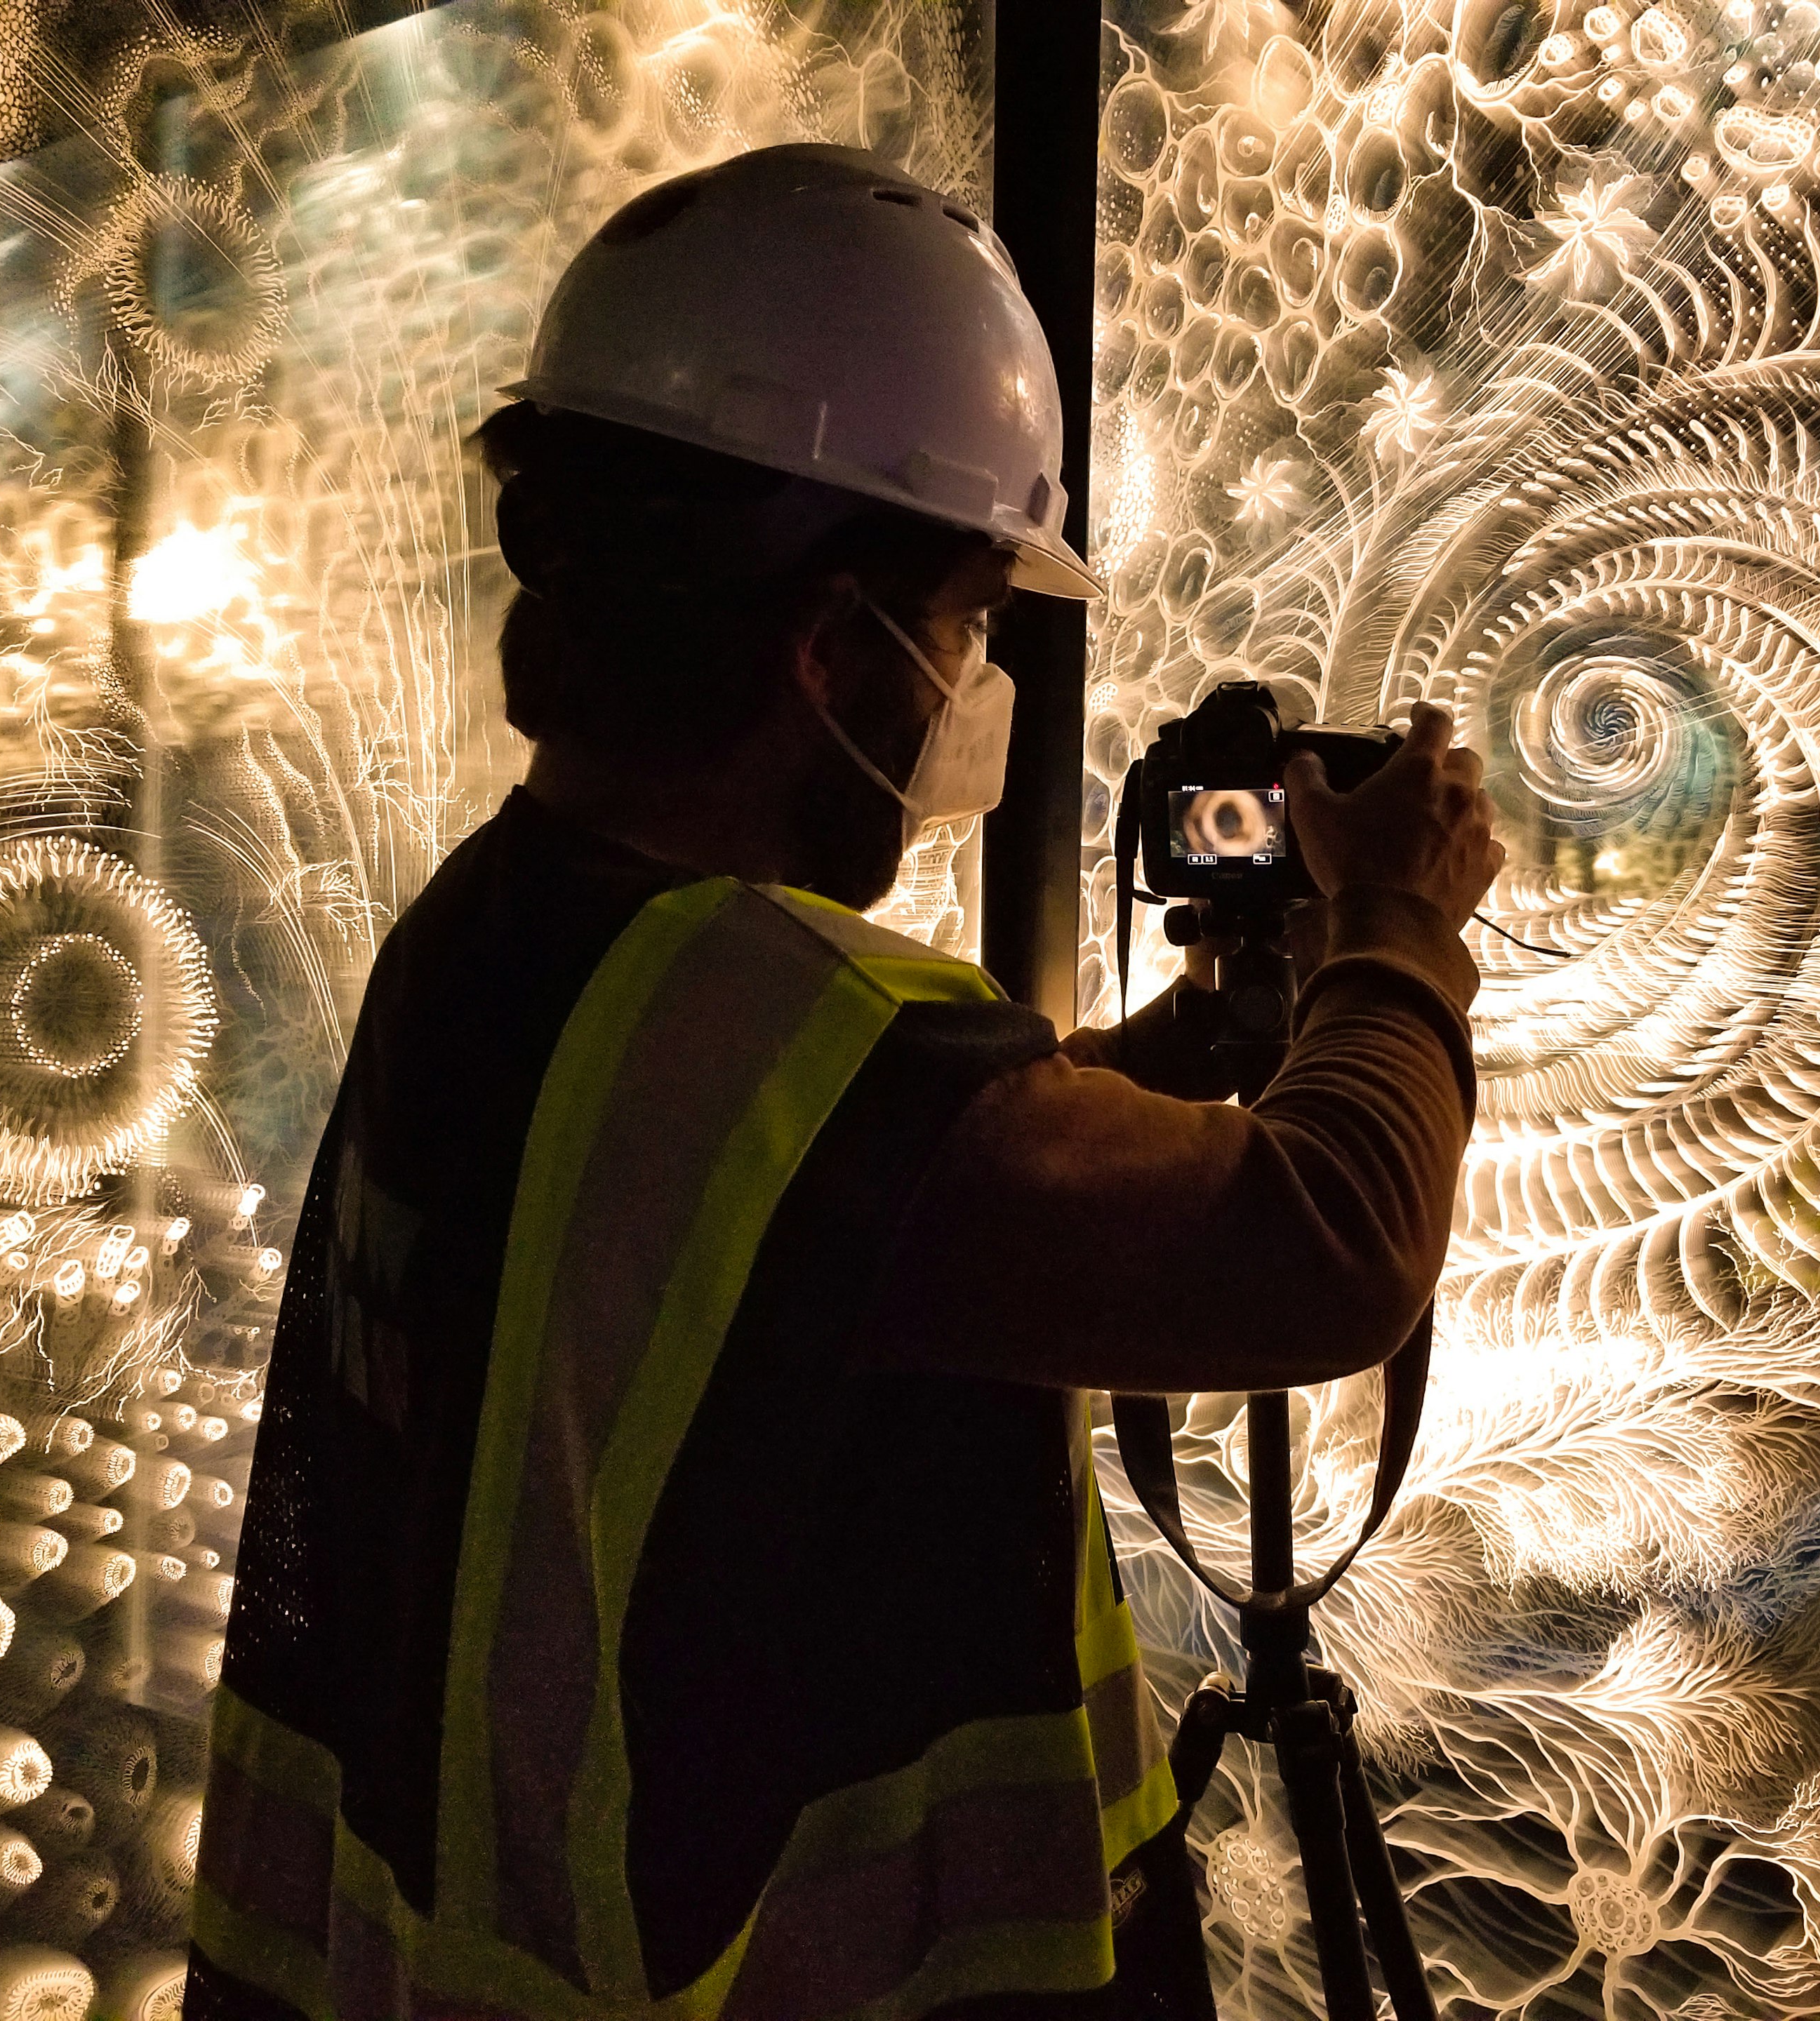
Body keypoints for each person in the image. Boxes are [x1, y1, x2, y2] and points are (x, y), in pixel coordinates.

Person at [186, 145, 1499, 2021]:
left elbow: (818, 1238)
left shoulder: (505, 939)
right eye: (963, 626)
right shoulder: (777, 1024)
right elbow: (1330, 1254)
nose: (971, 683)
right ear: (829, 651)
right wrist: (1400, 929)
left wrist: (1198, 1051)